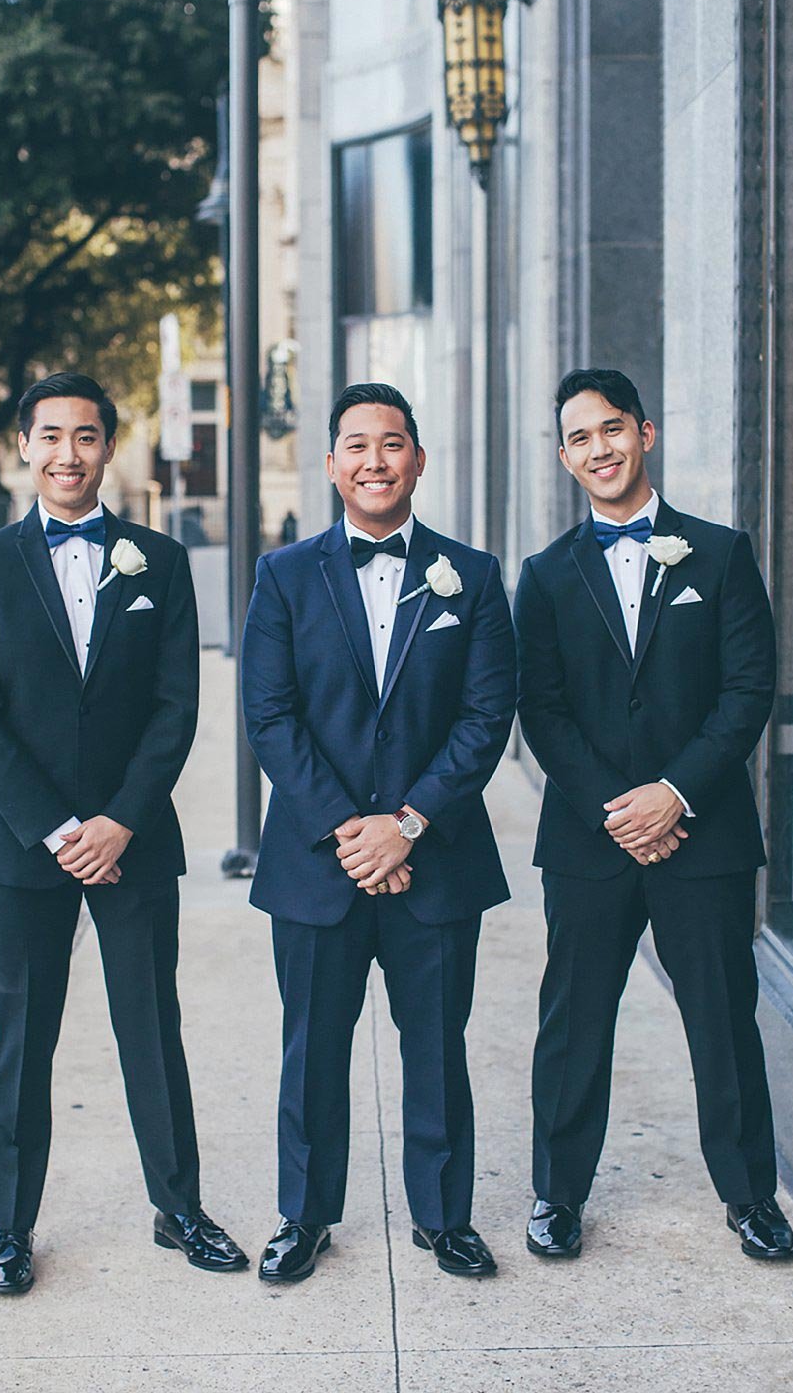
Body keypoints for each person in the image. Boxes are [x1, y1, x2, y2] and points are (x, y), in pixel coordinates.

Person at [0, 371, 244, 1295]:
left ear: (110, 448)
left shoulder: (161, 559)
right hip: (26, 848)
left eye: (86, 436)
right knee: (23, 1036)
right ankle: (8, 1228)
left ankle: (179, 1207)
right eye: (51, 436)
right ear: (26, 447)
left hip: (135, 837)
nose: (68, 453)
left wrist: (120, 820)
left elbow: (175, 707)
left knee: (152, 1026)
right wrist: (56, 827)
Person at [513, 368, 793, 1264]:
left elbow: (750, 690)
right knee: (574, 1021)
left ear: (646, 432)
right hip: (590, 842)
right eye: (581, 438)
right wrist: (616, 808)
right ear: (565, 458)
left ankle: (750, 1197)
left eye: (613, 430)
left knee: (722, 1019)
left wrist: (674, 795)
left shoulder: (719, 553)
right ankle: (557, 1196)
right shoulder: (546, 576)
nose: (600, 449)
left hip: (701, 833)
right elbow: (541, 709)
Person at [241, 382, 516, 1282]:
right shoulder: (282, 576)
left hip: (434, 857)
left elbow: (486, 716)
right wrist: (351, 832)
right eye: (356, 446)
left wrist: (405, 825)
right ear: (330, 466)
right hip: (318, 863)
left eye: (391, 444)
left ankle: (444, 1217)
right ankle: (305, 1216)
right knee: (312, 1046)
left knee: (437, 1044)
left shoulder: (471, 576)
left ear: (418, 460)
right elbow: (271, 715)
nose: (374, 461)